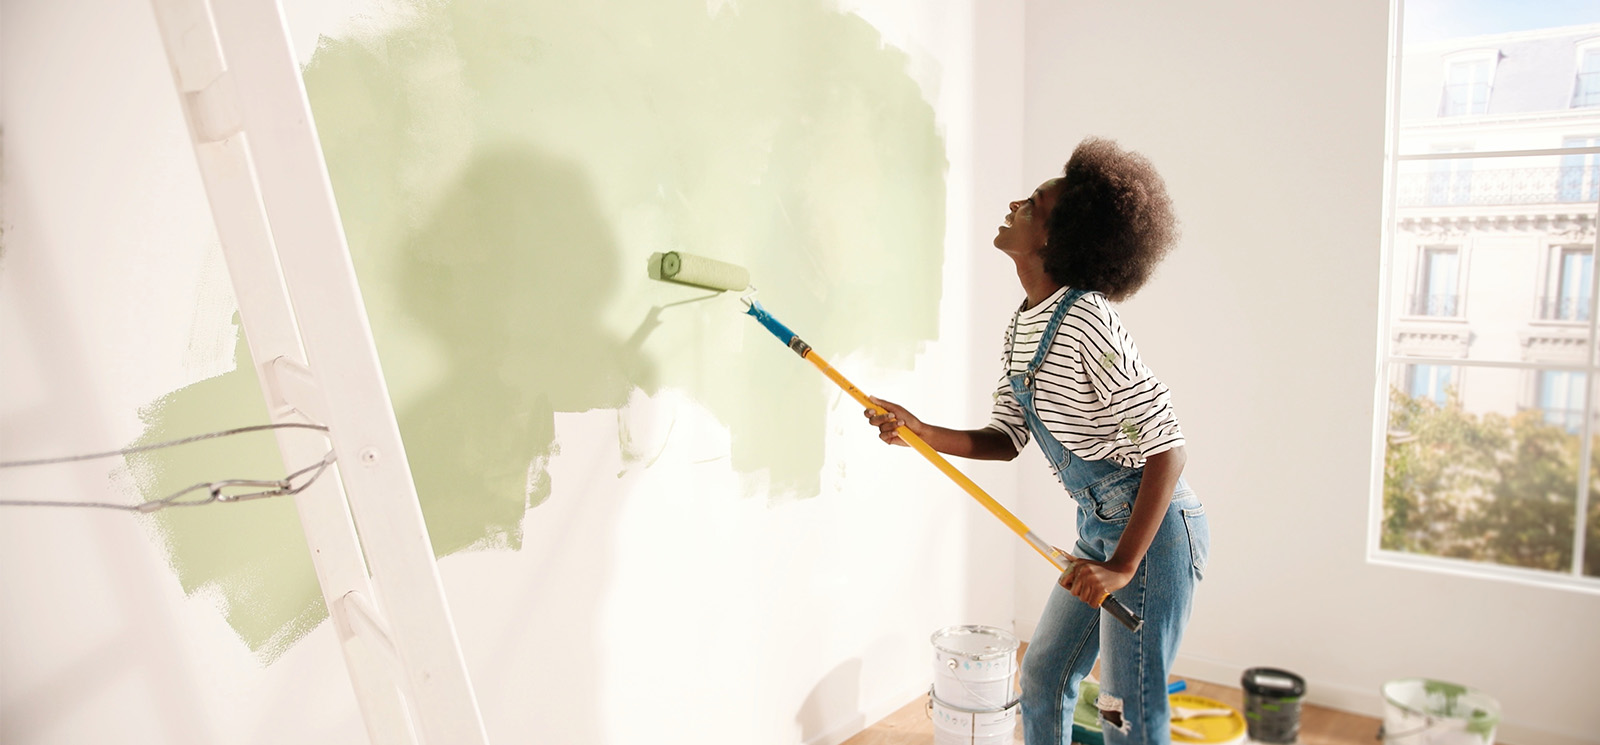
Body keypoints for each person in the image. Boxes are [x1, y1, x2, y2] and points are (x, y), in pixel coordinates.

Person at [865, 137, 1208, 745]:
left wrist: (1123, 565)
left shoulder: (1088, 321)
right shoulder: (1025, 323)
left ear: (1058, 236)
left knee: (1126, 713)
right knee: (1044, 675)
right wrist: (921, 431)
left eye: (1034, 203)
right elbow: (1005, 437)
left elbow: (1167, 450)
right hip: (1099, 531)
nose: (1015, 202)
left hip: (1149, 539)